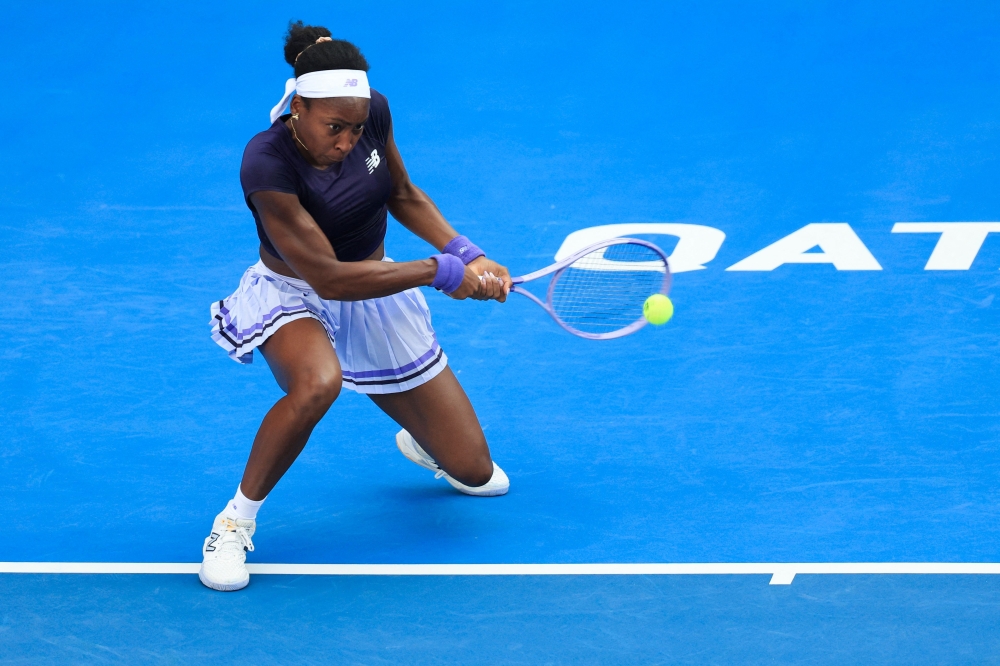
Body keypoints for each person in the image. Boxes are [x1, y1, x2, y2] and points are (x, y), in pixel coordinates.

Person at [200, 21, 512, 592]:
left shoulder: (373, 113)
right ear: (298, 108)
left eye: (356, 128)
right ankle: (233, 523)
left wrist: (468, 253)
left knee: (476, 472)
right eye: (334, 128)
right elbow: (327, 277)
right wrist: (441, 271)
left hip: (376, 285)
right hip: (297, 293)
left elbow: (402, 193)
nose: (347, 142)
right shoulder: (266, 162)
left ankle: (424, 436)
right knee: (317, 384)